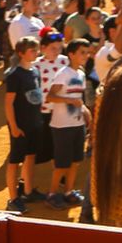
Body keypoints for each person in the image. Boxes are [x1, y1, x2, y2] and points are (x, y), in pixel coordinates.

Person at [44, 37, 91, 209]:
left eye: (87, 53)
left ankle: (68, 192)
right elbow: (50, 97)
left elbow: (79, 99)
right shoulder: (63, 73)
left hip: (77, 125)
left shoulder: (81, 73)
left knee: (76, 161)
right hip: (62, 126)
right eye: (82, 52)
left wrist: (86, 112)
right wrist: (69, 101)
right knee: (61, 164)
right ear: (71, 54)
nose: (86, 56)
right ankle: (52, 194)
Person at [1, 36, 42, 213]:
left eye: (36, 50)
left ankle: (27, 191)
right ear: (21, 53)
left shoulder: (35, 71)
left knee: (31, 156)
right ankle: (13, 198)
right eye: (32, 50)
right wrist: (14, 127)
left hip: (33, 123)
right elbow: (9, 103)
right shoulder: (14, 75)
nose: (36, 53)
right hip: (20, 125)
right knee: (15, 161)